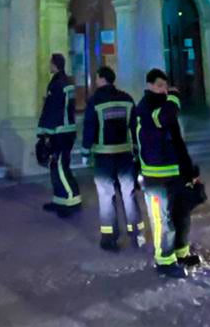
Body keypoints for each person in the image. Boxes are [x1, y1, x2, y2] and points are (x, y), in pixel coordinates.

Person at [132, 68, 200, 278]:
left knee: (181, 215)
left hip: (175, 172)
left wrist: (189, 171)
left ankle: (181, 252)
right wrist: (175, 97)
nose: (163, 91)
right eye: (159, 86)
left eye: (165, 86)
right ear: (149, 86)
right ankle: (164, 259)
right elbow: (164, 117)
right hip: (155, 177)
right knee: (164, 220)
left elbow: (178, 142)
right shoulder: (145, 107)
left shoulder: (164, 105)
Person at [81, 65, 142, 250]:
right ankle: (136, 232)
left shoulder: (95, 101)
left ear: (100, 79)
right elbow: (135, 126)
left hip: (104, 156)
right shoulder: (127, 99)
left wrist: (85, 152)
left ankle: (109, 237)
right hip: (125, 154)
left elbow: (89, 128)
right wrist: (137, 149)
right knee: (129, 194)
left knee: (106, 196)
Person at [35, 54, 80, 216]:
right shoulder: (67, 82)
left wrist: (43, 132)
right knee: (57, 165)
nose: (49, 65)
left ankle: (71, 199)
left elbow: (52, 109)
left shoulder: (56, 84)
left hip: (60, 131)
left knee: (60, 166)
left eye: (50, 63)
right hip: (67, 130)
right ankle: (59, 199)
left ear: (54, 65)